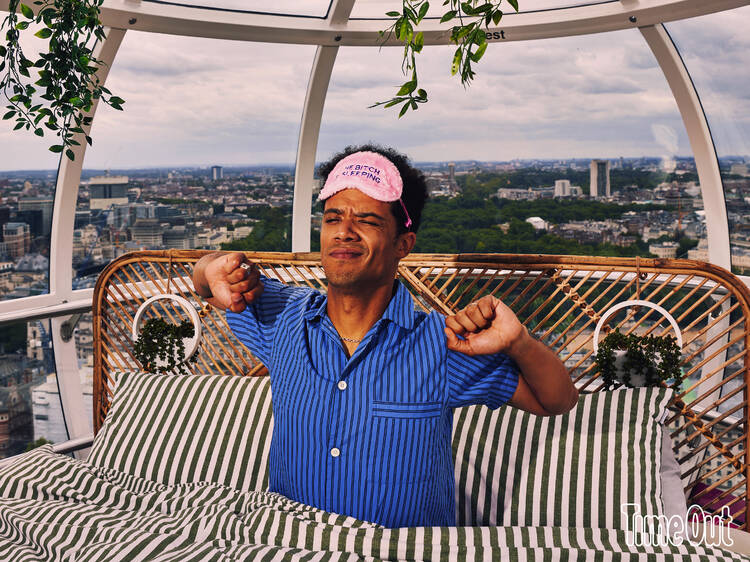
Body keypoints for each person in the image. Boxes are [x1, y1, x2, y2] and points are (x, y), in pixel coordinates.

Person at [192, 144, 578, 528]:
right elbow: (205, 285)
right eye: (332, 218)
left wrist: (520, 343)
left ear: (402, 245)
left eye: (368, 221)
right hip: (293, 547)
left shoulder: (441, 344)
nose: (344, 232)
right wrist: (211, 269)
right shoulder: (282, 317)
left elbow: (556, 401)